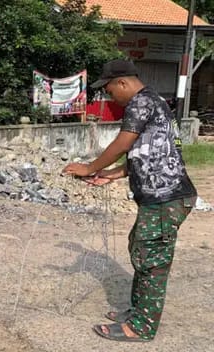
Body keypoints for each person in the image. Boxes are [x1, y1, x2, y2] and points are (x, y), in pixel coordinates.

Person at [63, 59, 197, 343]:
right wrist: (111, 174)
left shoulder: (140, 103)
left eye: (110, 90)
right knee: (140, 248)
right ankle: (138, 311)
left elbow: (124, 143)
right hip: (164, 197)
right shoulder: (156, 102)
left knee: (151, 259)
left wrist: (89, 167)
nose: (111, 96)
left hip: (166, 197)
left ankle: (142, 326)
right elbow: (150, 153)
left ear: (123, 82)